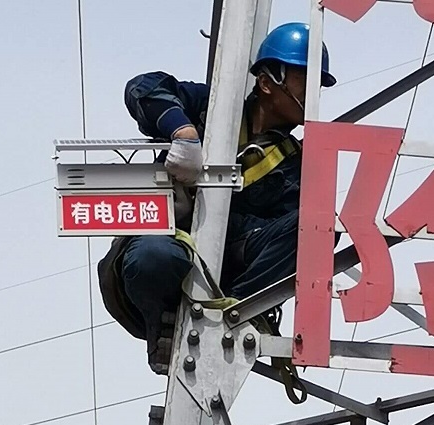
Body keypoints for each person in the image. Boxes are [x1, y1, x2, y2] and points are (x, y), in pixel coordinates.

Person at [98, 22, 337, 374]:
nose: (313, 94)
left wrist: (221, 219)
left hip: (229, 268)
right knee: (154, 256)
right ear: (268, 81)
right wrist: (182, 132)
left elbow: (283, 233)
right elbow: (143, 88)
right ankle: (162, 327)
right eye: (305, 80)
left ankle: (231, 315)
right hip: (164, 252)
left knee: (318, 226)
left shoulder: (295, 163)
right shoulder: (209, 108)